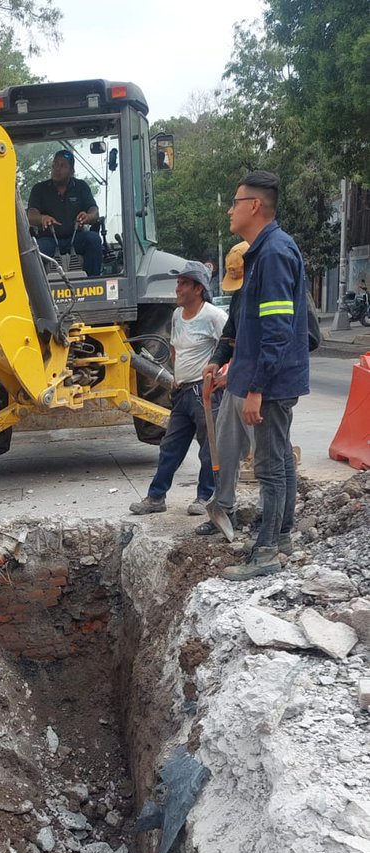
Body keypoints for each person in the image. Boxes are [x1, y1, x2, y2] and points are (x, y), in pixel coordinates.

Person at [220, 171, 309, 581]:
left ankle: (267, 551)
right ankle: (283, 534)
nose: (230, 209)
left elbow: (276, 331)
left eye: (235, 202)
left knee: (271, 465)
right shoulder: (268, 250)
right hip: (275, 379)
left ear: (254, 206)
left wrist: (255, 388)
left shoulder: (272, 253)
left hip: (271, 383)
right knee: (281, 458)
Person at [129, 261, 227, 516]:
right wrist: (175, 374)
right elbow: (174, 347)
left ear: (197, 288)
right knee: (170, 447)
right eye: (178, 282)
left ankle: (205, 497)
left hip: (205, 393)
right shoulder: (176, 315)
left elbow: (230, 348)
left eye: (183, 283)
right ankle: (155, 497)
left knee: (209, 449)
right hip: (182, 392)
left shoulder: (214, 316)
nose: (177, 288)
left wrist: (221, 377)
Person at [195, 240, 251, 536]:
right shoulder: (243, 296)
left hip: (262, 388)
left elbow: (272, 344)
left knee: (266, 458)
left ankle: (274, 522)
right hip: (239, 385)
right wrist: (217, 361)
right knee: (227, 448)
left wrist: (241, 372)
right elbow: (230, 335)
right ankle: (224, 506)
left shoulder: (271, 290)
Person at [27, 149, 103, 277]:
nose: (57, 169)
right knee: (34, 251)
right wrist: (42, 218)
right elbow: (31, 214)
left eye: (62, 165)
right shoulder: (39, 189)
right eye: (55, 165)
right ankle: (38, 292)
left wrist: (88, 216)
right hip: (48, 240)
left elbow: (94, 212)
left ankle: (93, 281)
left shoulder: (81, 187)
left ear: (72, 171)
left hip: (76, 239)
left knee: (94, 240)